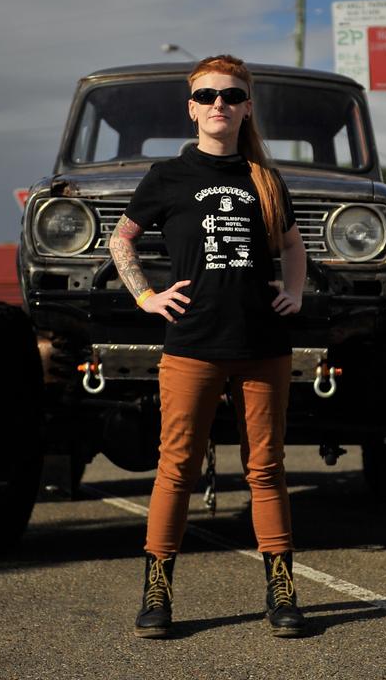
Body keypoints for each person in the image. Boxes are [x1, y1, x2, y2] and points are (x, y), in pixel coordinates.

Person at [108, 54, 308, 639]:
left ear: (246, 107)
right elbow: (122, 240)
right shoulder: (167, 178)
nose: (219, 104)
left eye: (231, 95)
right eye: (207, 95)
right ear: (191, 107)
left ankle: (282, 592)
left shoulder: (265, 179)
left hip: (263, 346)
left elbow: (294, 248)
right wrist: (145, 296)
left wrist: (293, 292)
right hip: (192, 346)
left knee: (266, 470)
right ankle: (157, 593)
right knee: (176, 469)